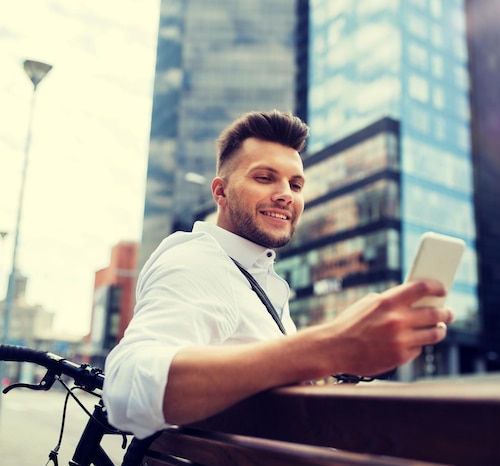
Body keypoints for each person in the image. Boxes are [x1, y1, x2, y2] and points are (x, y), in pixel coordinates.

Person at [103, 110, 454, 439]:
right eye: (264, 177)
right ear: (220, 192)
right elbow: (127, 386)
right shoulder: (199, 261)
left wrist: (351, 359)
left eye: (296, 185)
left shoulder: (257, 276)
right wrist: (332, 345)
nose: (286, 194)